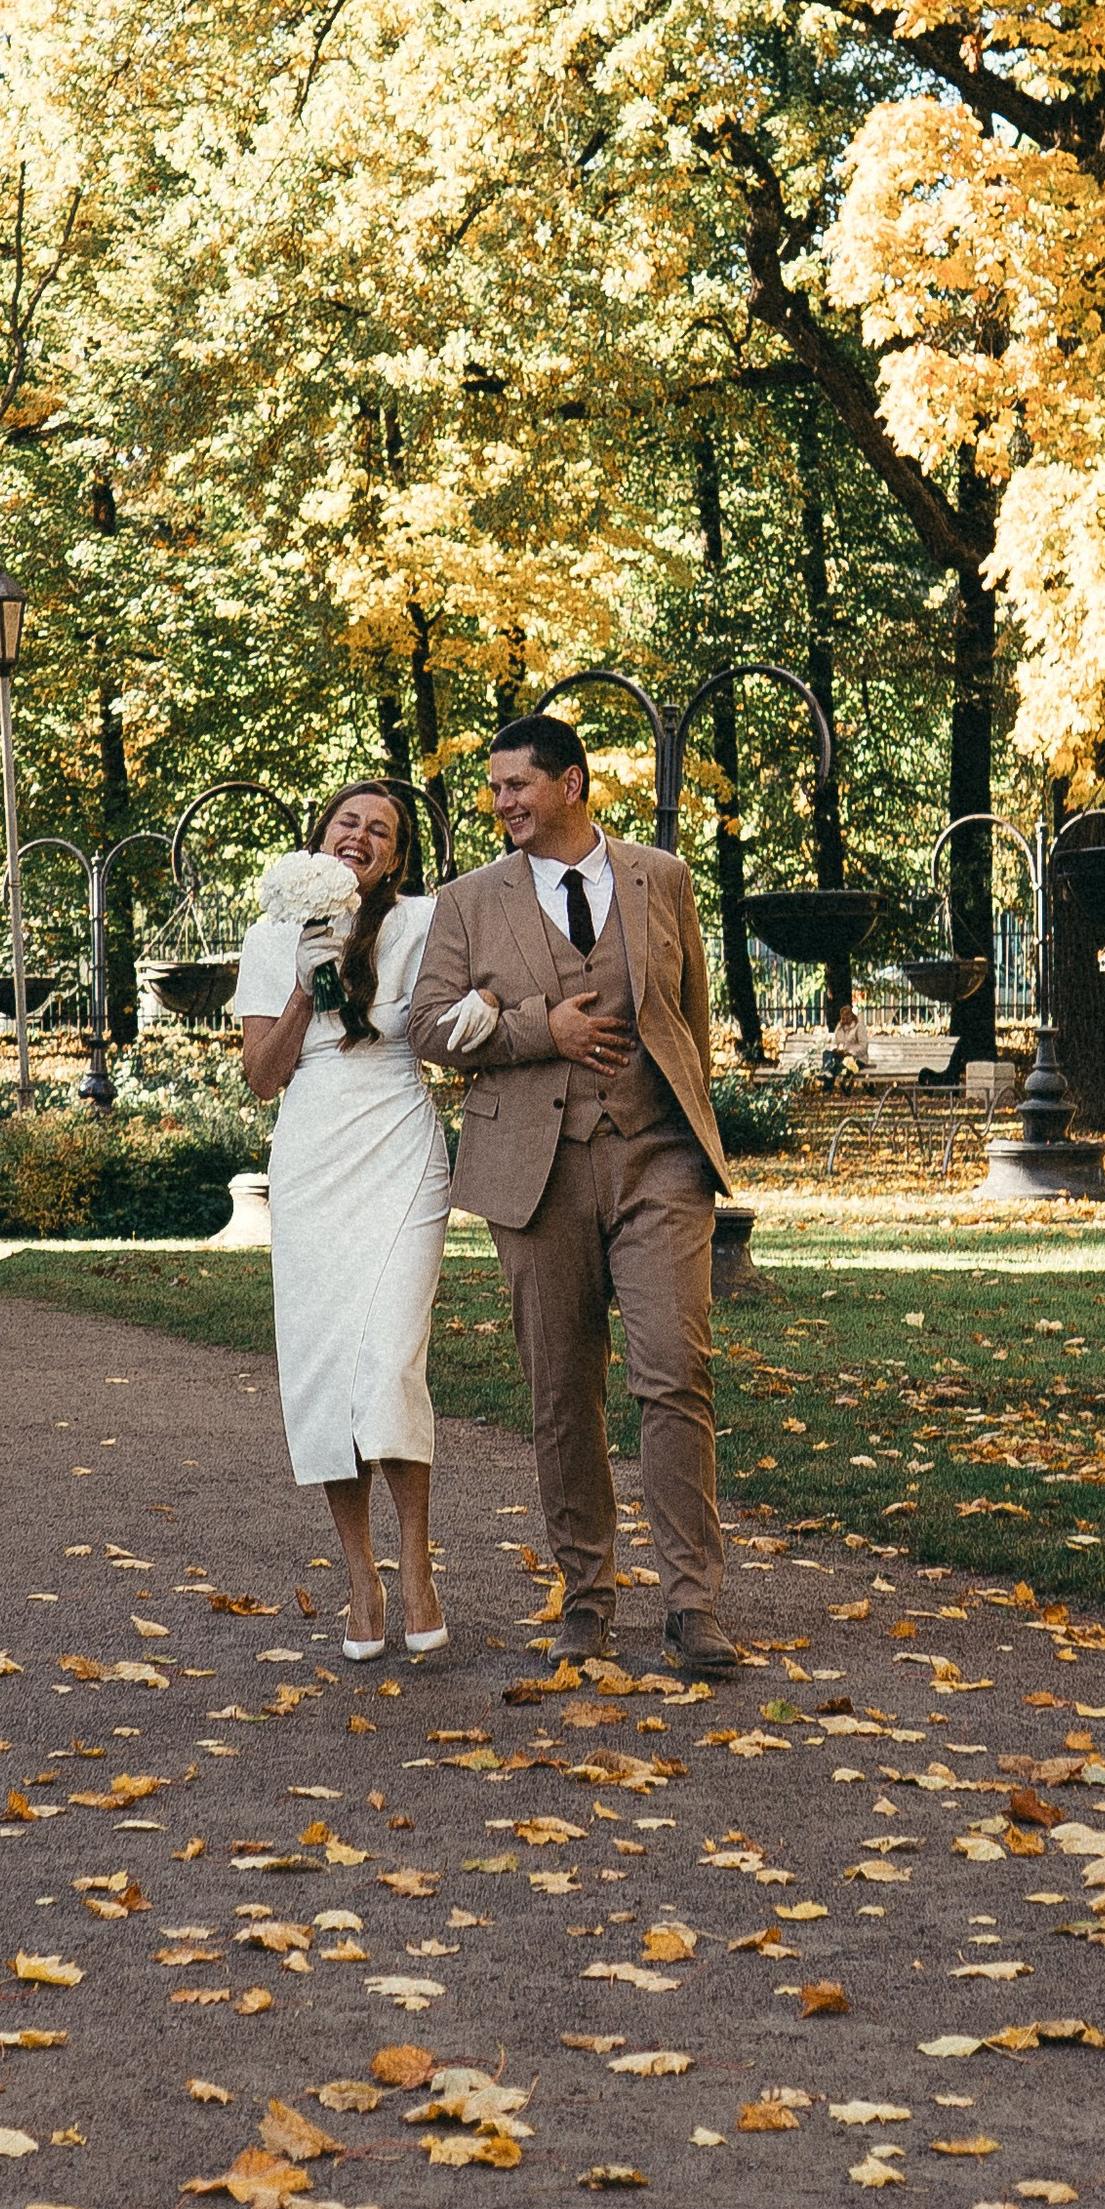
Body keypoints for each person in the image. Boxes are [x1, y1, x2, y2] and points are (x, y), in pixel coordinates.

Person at [406, 714, 740, 1680]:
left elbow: (690, 1018)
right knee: (561, 1392)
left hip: (657, 1156)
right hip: (535, 1171)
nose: (502, 803)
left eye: (517, 785)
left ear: (572, 784)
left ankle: (692, 1605)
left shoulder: (661, 877)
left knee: (675, 1373)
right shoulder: (467, 901)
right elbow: (427, 1027)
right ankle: (586, 1599)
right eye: (495, 788)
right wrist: (535, 1027)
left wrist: (678, 1120)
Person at [235, 778, 450, 1660]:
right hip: (314, 1152)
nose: (360, 836)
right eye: (347, 822)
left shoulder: (423, 922)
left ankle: (418, 1564)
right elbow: (262, 1077)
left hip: (400, 1143)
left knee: (390, 1360)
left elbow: (448, 1023)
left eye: (380, 830)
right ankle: (361, 1577)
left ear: (397, 857)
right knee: (326, 1369)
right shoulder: (269, 933)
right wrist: (303, 986)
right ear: (320, 837)